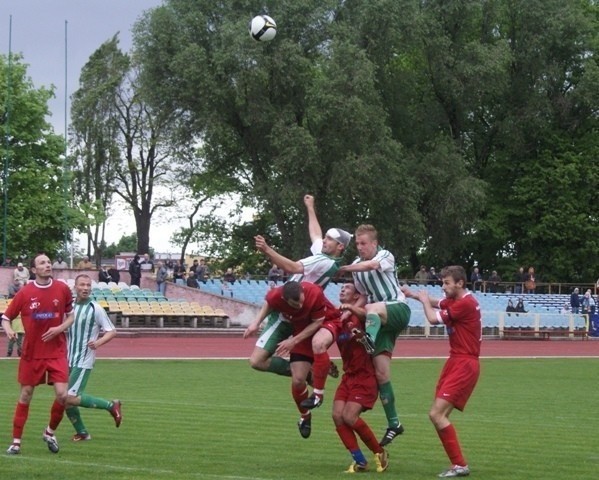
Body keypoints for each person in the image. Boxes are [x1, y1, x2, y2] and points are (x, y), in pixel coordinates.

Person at [248, 194, 350, 380]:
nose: (324, 241)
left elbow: (293, 267)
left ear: (340, 246)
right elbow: (315, 235)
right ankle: (307, 370)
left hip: (300, 315)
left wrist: (267, 250)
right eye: (326, 238)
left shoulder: (324, 262)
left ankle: (310, 368)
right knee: (257, 361)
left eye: (329, 239)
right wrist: (310, 207)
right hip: (286, 313)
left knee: (259, 363)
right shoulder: (325, 256)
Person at [401, 265, 481, 478]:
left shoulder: (466, 303)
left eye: (446, 283)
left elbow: (433, 317)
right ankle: (457, 464)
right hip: (456, 361)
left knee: (436, 414)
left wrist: (424, 302)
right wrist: (413, 295)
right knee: (439, 415)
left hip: (464, 364)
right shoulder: (458, 300)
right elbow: (438, 302)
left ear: (460, 283)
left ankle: (460, 465)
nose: (443, 287)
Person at [336, 224, 411, 447]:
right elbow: (365, 296)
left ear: (374, 243)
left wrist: (344, 268)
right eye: (357, 244)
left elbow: (374, 265)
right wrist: (348, 311)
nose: (360, 247)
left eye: (364, 243)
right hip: (378, 319)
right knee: (381, 373)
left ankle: (368, 338)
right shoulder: (358, 267)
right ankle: (394, 423)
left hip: (396, 309)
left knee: (373, 309)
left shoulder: (384, 255)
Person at [243, 281, 340, 439]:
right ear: (284, 299)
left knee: (301, 378)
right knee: (259, 363)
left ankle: (307, 410)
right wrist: (255, 323)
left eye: (302, 301)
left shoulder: (314, 293)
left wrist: (294, 341)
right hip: (288, 324)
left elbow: (317, 322)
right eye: (295, 304)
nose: (300, 306)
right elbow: (269, 302)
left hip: (309, 329)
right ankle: (309, 381)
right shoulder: (276, 295)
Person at [1, 253, 75, 455]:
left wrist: (59, 328)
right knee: (26, 395)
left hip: (57, 352)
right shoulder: (25, 293)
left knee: (62, 395)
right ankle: (16, 442)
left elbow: (71, 317)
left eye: (49, 262)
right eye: (42, 263)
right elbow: (6, 317)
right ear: (34, 270)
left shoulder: (62, 289)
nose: (47, 265)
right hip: (32, 353)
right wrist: (8, 329)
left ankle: (49, 432)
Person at [333, 282, 389, 473]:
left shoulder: (364, 314)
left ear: (357, 296)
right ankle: (359, 461)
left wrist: (352, 309)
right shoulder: (338, 318)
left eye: (347, 288)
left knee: (349, 416)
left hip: (365, 376)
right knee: (337, 417)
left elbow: (373, 317)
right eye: (341, 287)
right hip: (348, 375)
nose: (342, 289)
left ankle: (380, 452)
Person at [65, 274, 122, 441]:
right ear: (75, 287)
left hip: (84, 359)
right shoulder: (69, 308)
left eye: (88, 285)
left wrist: (98, 343)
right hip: (67, 358)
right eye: (82, 285)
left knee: (70, 397)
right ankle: (82, 432)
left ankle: (111, 406)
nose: (85, 288)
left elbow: (111, 331)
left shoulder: (94, 308)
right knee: (65, 399)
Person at [6, 279, 24, 357]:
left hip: (20, 329)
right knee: (11, 341)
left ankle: (19, 353)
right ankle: (9, 353)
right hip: (13, 329)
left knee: (19, 342)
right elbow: (8, 319)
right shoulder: (14, 310)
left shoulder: (23, 310)